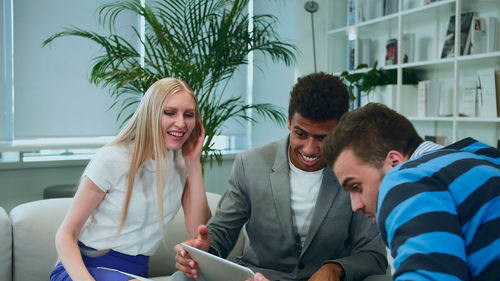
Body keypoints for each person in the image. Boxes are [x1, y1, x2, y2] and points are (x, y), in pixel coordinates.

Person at [173, 72, 388, 281]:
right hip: (257, 277)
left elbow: (373, 254)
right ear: (289, 122)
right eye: (300, 134)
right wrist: (205, 248)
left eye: (323, 137)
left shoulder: (359, 172)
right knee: (183, 277)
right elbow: (223, 232)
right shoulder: (250, 164)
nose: (310, 149)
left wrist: (336, 268)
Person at [50, 78, 212, 281]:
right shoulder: (113, 158)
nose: (180, 123)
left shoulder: (182, 164)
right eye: (170, 113)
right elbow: (65, 234)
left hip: (134, 274)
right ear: (151, 115)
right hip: (83, 269)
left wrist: (194, 164)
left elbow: (199, 231)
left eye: (188, 115)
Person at [322, 102, 500, 281]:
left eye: (356, 187)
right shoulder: (482, 156)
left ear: (394, 162)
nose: (356, 205)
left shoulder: (406, 178)